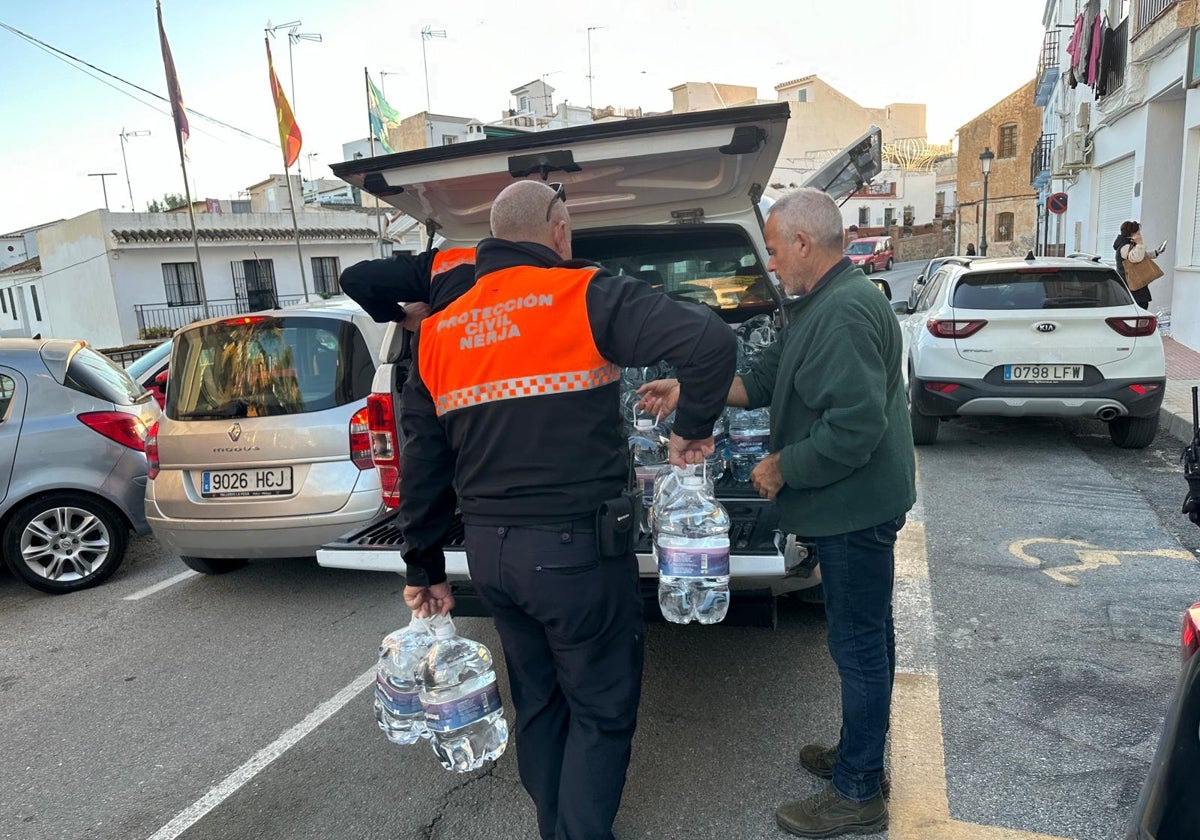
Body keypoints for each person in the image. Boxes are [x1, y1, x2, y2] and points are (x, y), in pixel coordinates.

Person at [398, 180, 737, 840]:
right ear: (557, 231)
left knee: (541, 703)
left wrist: (424, 566)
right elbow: (710, 343)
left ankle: (556, 827)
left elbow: (422, 464)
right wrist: (688, 430)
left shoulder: (439, 332)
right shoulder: (581, 295)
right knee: (602, 709)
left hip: (491, 557)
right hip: (574, 553)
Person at [638, 187, 916, 838]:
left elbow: (856, 429)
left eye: (771, 246)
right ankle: (860, 760)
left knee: (859, 648)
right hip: (852, 505)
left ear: (801, 244)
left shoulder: (845, 311)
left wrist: (783, 466)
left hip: (857, 508)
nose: (768, 259)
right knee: (867, 639)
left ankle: (857, 792)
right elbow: (760, 382)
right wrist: (689, 388)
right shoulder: (814, 304)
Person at [1113, 220, 1164, 310]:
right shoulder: (1124, 246)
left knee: (1141, 308)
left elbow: (1142, 255)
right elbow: (1136, 257)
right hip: (1132, 288)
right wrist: (1140, 243)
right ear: (1132, 233)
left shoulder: (1128, 244)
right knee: (1139, 309)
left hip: (1134, 286)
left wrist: (1156, 252)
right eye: (1137, 232)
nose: (1139, 233)